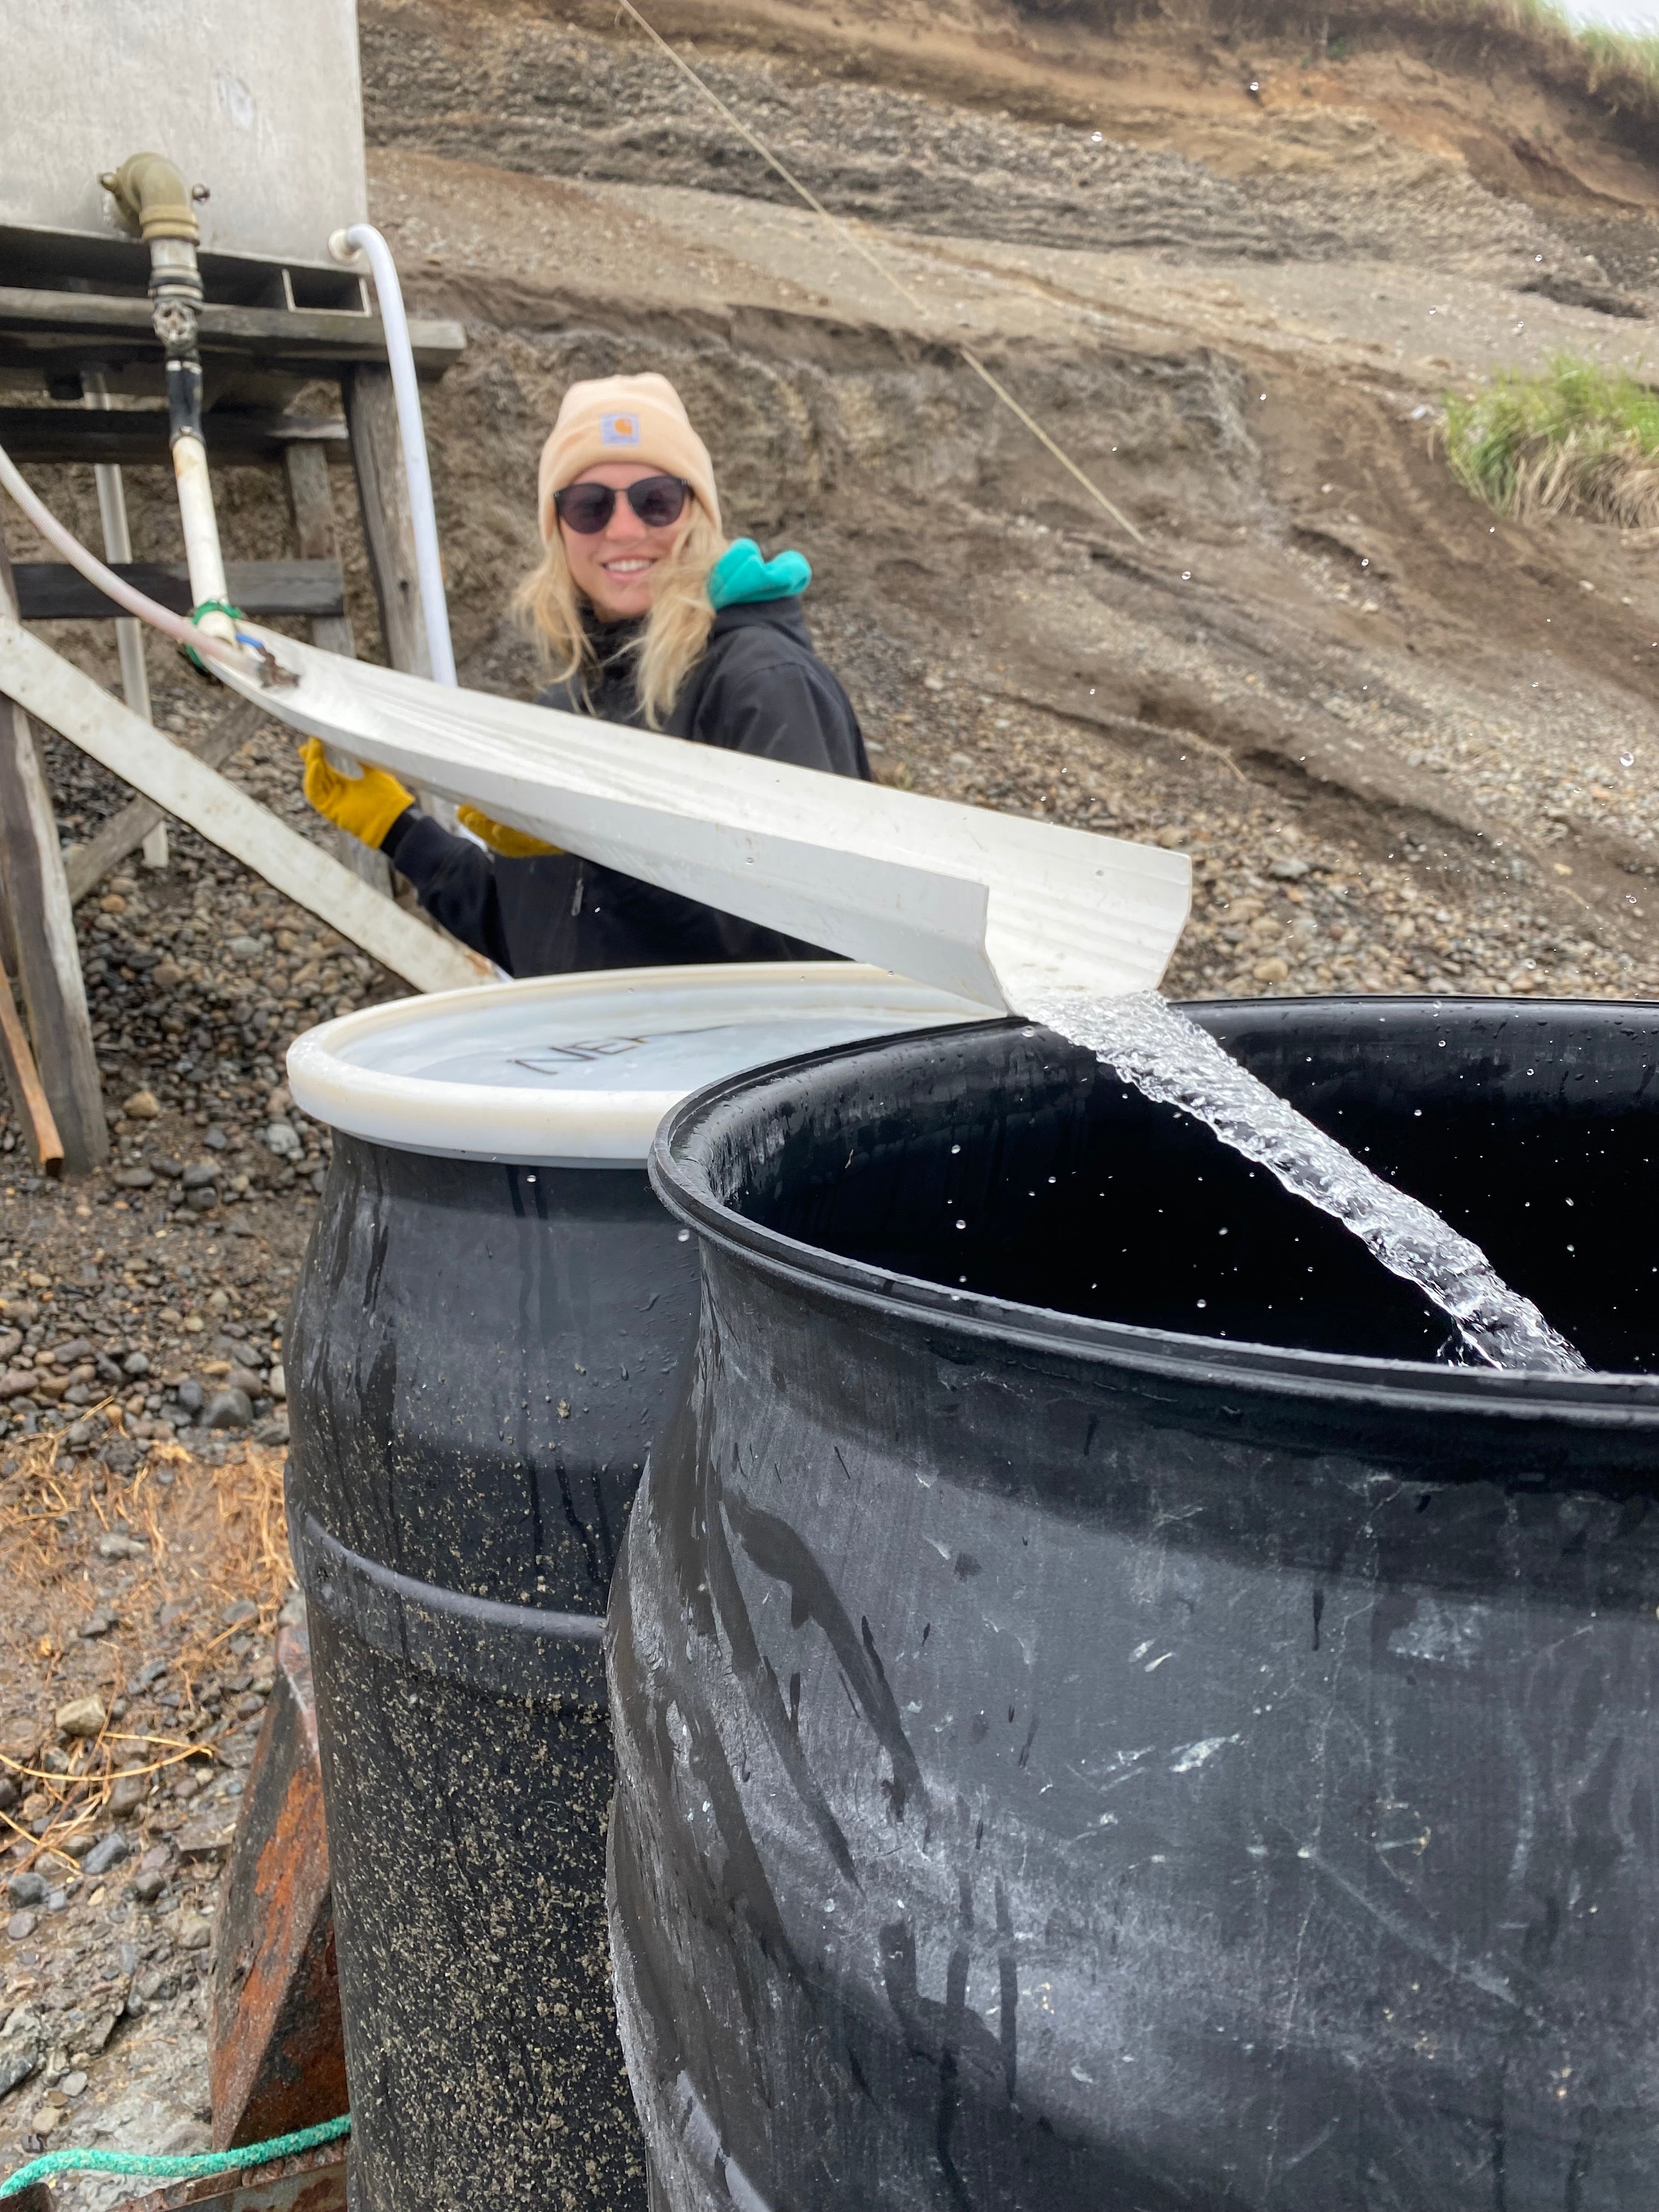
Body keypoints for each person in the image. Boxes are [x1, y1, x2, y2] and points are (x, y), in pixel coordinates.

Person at [300, 372, 870, 975]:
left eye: (656, 500)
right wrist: (400, 830)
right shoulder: (564, 708)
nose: (624, 529)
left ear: (697, 514)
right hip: (589, 1063)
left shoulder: (761, 682)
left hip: (723, 1071)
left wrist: (597, 843)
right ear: (560, 530)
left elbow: (819, 948)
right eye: (589, 506)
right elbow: (547, 944)